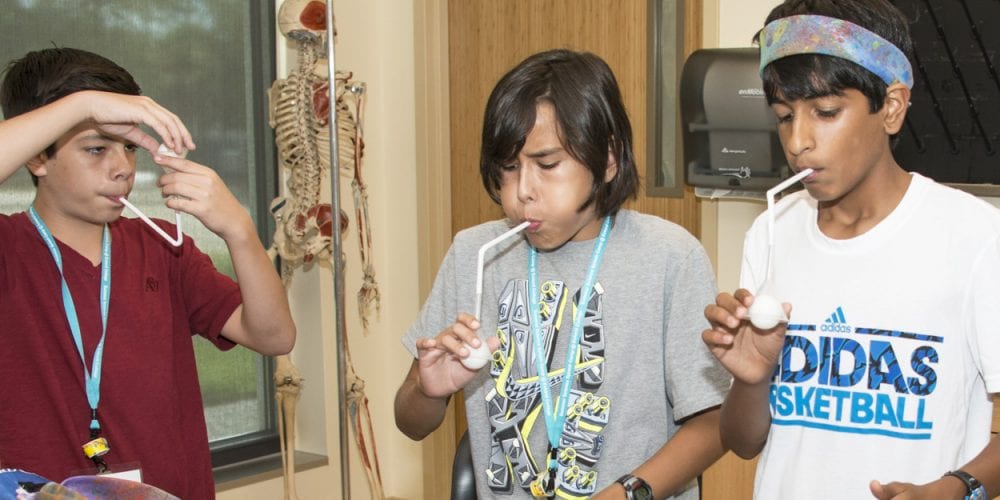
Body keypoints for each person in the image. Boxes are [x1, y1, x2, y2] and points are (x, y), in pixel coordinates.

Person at [394, 48, 729, 499]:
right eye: (508, 169)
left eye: (547, 165)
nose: (522, 193)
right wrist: (427, 390)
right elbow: (410, 422)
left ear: (607, 158)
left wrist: (627, 492)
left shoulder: (671, 256)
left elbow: (713, 422)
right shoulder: (474, 254)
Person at [702, 1, 1000, 499]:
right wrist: (752, 380)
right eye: (783, 117)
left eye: (826, 112)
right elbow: (743, 442)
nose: (798, 141)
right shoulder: (771, 231)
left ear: (891, 107)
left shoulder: (975, 237)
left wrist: (955, 488)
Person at [0, 47, 296, 498]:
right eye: (96, 148)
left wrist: (239, 231)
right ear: (38, 159)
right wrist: (82, 106)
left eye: (130, 148)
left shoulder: (160, 246)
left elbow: (275, 337)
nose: (122, 168)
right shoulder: (9, 248)